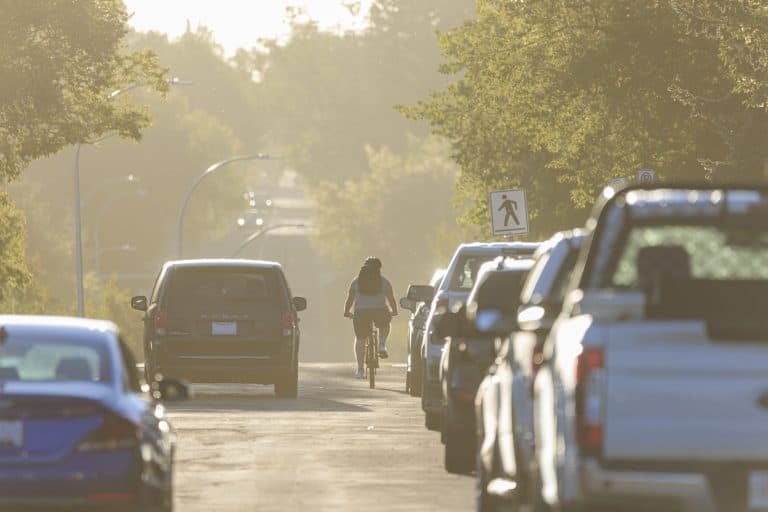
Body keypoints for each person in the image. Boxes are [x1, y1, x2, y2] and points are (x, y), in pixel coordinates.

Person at [343, 257, 398, 379]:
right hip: (380, 311)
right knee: (385, 324)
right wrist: (394, 311)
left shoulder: (356, 281)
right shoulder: (384, 281)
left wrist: (346, 311)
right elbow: (391, 298)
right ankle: (382, 344)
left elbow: (350, 299)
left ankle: (360, 369)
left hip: (361, 313)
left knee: (360, 338)